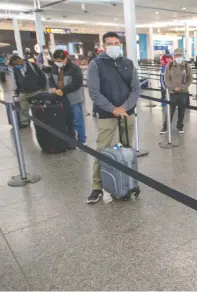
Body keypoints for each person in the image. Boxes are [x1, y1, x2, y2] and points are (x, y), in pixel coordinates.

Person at [86, 31, 141, 204]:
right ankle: (97, 187)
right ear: (103, 46)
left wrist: (123, 108)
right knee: (102, 150)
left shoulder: (128, 63)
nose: (114, 46)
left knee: (126, 149)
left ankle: (127, 182)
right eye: (110, 43)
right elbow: (94, 92)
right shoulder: (96, 64)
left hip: (127, 113)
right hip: (106, 114)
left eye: (116, 43)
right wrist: (112, 109)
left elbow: (135, 89)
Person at [50, 49, 86, 145]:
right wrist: (53, 87)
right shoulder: (53, 68)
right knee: (67, 120)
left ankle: (82, 140)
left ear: (65, 59)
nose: (57, 63)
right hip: (61, 99)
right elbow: (51, 79)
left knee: (78, 120)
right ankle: (71, 140)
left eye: (59, 61)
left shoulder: (74, 68)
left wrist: (63, 90)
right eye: (56, 61)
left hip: (74, 98)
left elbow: (77, 83)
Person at [161, 48, 193, 135]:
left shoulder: (187, 66)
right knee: (170, 110)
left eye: (180, 55)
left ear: (182, 56)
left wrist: (183, 87)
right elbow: (166, 79)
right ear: (174, 56)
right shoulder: (169, 65)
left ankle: (180, 126)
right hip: (172, 92)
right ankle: (165, 127)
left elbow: (190, 79)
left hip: (184, 93)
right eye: (176, 55)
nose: (178, 57)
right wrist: (172, 88)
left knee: (182, 111)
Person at [9, 54, 47, 128]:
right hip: (23, 92)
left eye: (16, 64)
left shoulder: (32, 65)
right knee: (23, 108)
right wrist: (17, 92)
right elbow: (17, 81)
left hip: (36, 90)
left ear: (19, 60)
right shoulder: (16, 69)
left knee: (37, 107)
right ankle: (25, 122)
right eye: (14, 65)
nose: (16, 66)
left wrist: (43, 88)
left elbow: (42, 75)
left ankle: (41, 120)